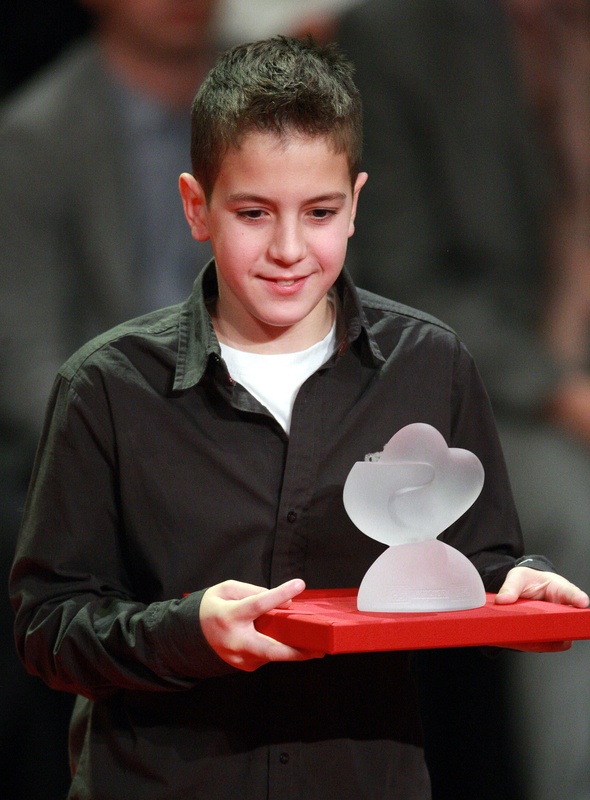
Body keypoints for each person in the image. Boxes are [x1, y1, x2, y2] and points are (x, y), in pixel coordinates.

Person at [9, 35, 589, 800]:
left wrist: (520, 585)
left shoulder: (429, 364)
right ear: (196, 206)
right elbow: (48, 626)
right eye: (254, 212)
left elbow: (476, 558)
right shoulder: (109, 387)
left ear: (356, 205)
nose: (288, 248)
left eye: (319, 212)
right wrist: (189, 631)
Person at [335, 1, 590, 798]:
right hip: (469, 393)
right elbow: (405, 284)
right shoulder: (395, 36)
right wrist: (561, 390)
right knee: (573, 515)